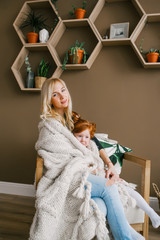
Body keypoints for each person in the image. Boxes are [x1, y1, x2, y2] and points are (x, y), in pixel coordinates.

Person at [30, 77, 143, 240]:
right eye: (55, 94)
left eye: (63, 90)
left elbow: (93, 141)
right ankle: (126, 238)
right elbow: (61, 155)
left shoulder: (72, 120)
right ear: (49, 100)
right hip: (68, 178)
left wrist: (109, 165)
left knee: (100, 204)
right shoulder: (49, 126)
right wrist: (86, 165)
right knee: (109, 187)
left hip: (84, 173)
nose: (62, 96)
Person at [72, 116, 160, 231]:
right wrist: (92, 169)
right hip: (91, 181)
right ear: (73, 136)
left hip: (103, 175)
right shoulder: (73, 150)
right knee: (113, 196)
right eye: (79, 136)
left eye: (86, 137)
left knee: (127, 189)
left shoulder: (91, 147)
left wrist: (106, 171)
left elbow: (98, 162)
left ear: (90, 138)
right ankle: (124, 228)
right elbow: (77, 166)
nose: (83, 140)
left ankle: (152, 214)